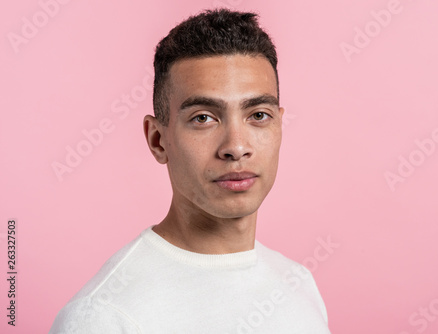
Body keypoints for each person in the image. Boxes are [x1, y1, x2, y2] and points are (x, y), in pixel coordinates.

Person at [49, 8, 331, 333]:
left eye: (258, 115)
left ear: (280, 125)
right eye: (203, 118)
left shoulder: (298, 283)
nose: (236, 147)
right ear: (158, 140)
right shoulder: (103, 316)